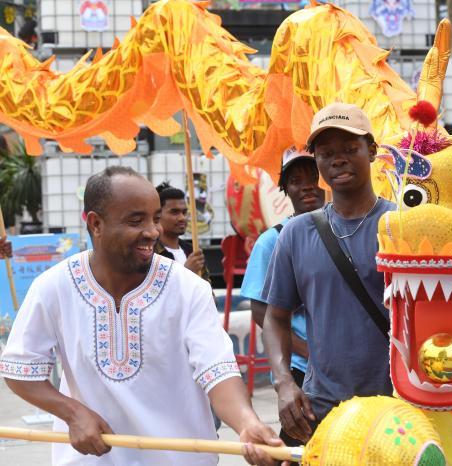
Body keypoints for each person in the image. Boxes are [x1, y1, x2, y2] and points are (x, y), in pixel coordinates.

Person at [1, 166, 281, 466]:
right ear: (96, 224)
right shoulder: (53, 287)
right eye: (137, 220)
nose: (152, 231)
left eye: (155, 218)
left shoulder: (189, 290)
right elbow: (21, 369)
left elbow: (218, 370)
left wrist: (247, 422)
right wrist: (72, 412)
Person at [262, 103, 395, 443]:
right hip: (323, 409)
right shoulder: (296, 233)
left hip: (397, 408)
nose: (337, 160)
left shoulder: (402, 225)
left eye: (350, 149)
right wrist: (284, 383)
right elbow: (274, 318)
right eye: (326, 153)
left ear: (373, 151)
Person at [241, 146, 325, 450]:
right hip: (305, 368)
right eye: (295, 180)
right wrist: (309, 350)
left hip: (349, 368)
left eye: (313, 176)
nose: (306, 186)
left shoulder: (350, 230)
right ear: (284, 190)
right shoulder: (272, 241)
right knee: (304, 445)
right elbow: (261, 312)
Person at [154, 182, 209, 280]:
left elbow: (207, 290)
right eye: (174, 212)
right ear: (158, 214)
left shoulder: (192, 251)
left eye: (184, 212)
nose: (182, 218)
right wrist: (187, 272)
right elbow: (155, 293)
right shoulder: (151, 254)